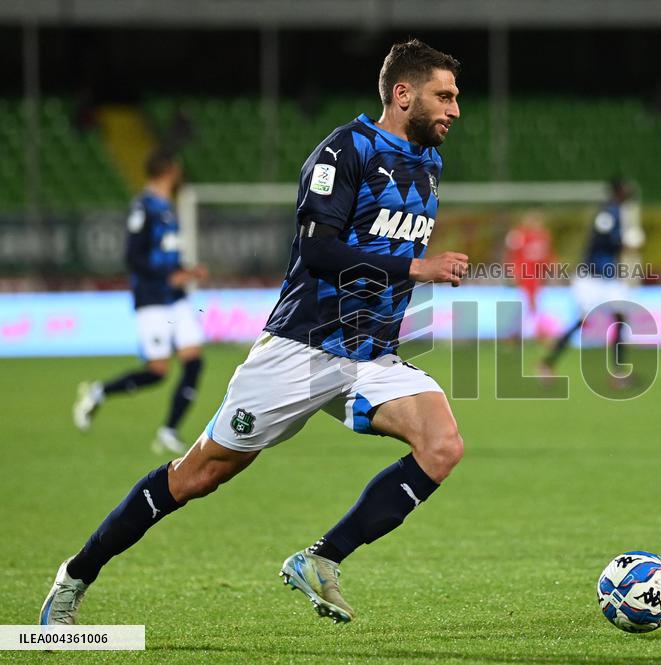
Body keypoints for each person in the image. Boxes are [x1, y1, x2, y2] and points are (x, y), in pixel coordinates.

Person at [42, 38, 467, 627]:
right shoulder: (345, 151)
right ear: (402, 94)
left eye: (455, 97)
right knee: (198, 476)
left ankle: (321, 559)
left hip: (370, 356)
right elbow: (317, 252)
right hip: (301, 347)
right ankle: (76, 575)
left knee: (443, 446)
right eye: (444, 96)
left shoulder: (429, 165)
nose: (454, 109)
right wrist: (416, 267)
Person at [72, 150, 208, 454]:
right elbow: (133, 257)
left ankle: (169, 431)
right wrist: (167, 277)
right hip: (152, 299)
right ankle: (99, 392)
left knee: (194, 361)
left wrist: (186, 272)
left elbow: (165, 254)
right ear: (169, 170)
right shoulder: (143, 207)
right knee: (158, 371)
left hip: (176, 299)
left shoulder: (168, 207)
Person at [538, 178, 643, 387]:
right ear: (618, 192)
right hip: (591, 277)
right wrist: (624, 243)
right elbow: (602, 241)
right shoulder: (607, 213)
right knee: (583, 321)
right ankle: (547, 363)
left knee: (620, 318)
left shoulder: (617, 212)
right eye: (625, 190)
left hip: (609, 277)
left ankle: (618, 372)